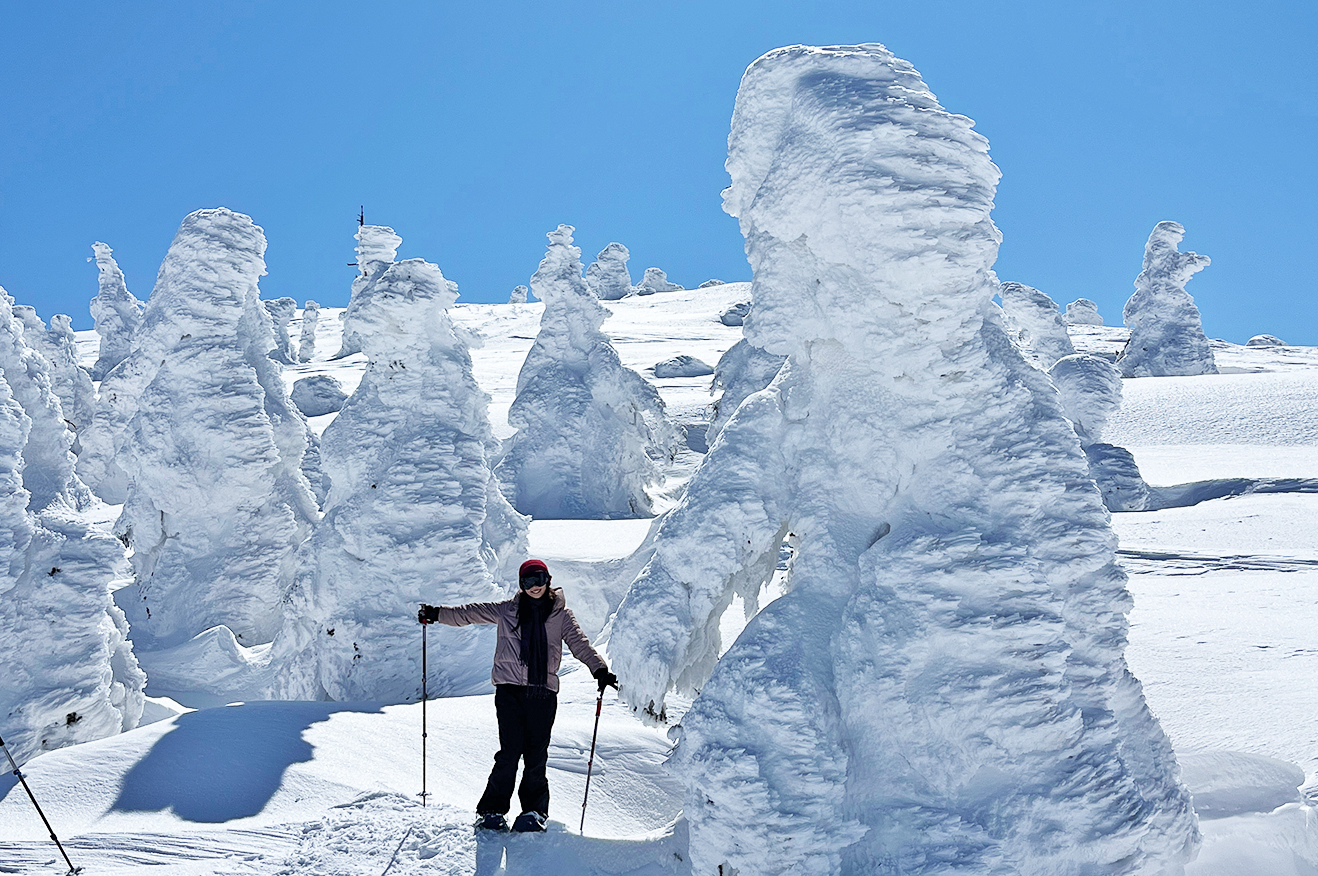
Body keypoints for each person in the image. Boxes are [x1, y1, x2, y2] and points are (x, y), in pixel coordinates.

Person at [418, 558, 618, 833]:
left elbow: (580, 644)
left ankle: (534, 812)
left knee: (536, 755)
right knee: (509, 753)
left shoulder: (561, 616)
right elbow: (469, 613)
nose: (534, 586)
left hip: (543, 693)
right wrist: (437, 614)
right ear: (521, 584)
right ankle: (491, 812)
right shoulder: (506, 611)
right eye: (527, 581)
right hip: (509, 690)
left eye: (538, 579)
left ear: (547, 580)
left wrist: (599, 669)